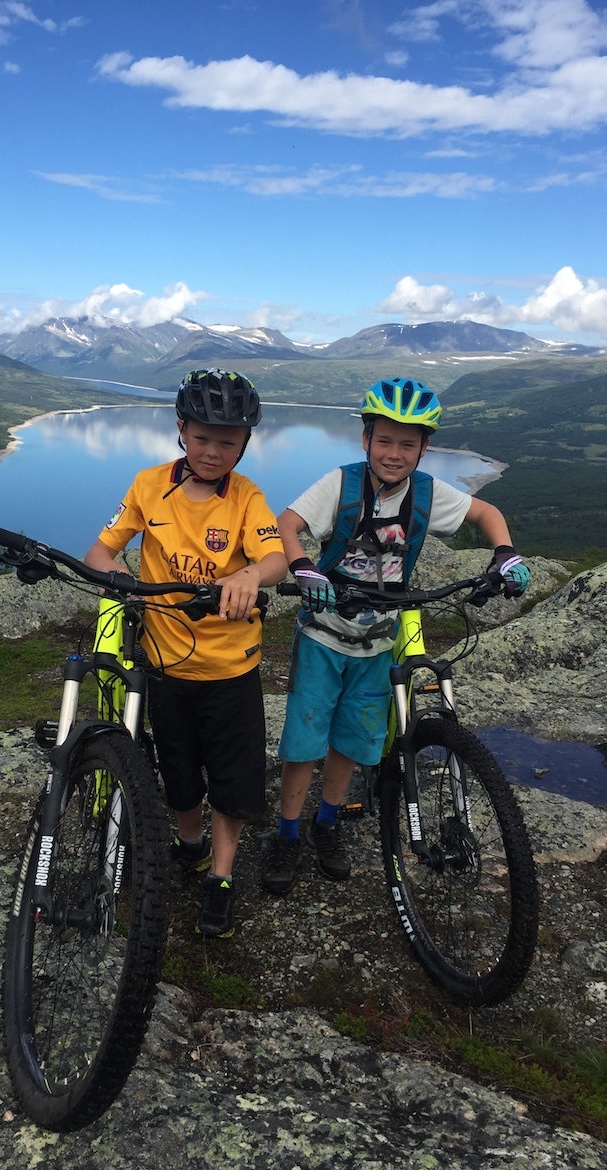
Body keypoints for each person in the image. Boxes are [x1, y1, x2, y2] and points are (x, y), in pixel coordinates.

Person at [261, 376, 530, 895]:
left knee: (352, 739)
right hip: (323, 633)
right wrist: (303, 568)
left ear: (424, 448)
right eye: (384, 441)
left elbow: (485, 512)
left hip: (379, 639)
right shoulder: (341, 484)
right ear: (366, 440)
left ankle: (327, 824)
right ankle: (288, 834)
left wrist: (504, 552)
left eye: (408, 444)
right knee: (304, 739)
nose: (394, 453)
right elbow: (287, 522)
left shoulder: (427, 493)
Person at [85, 369, 287, 938]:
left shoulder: (247, 497)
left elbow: (274, 559)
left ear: (245, 443)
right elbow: (101, 551)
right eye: (202, 438)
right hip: (166, 665)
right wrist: (115, 579)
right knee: (177, 772)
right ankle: (191, 843)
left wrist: (249, 576)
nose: (214, 452)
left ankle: (221, 875)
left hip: (231, 669)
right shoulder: (149, 486)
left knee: (231, 777)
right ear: (181, 430)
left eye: (229, 441)